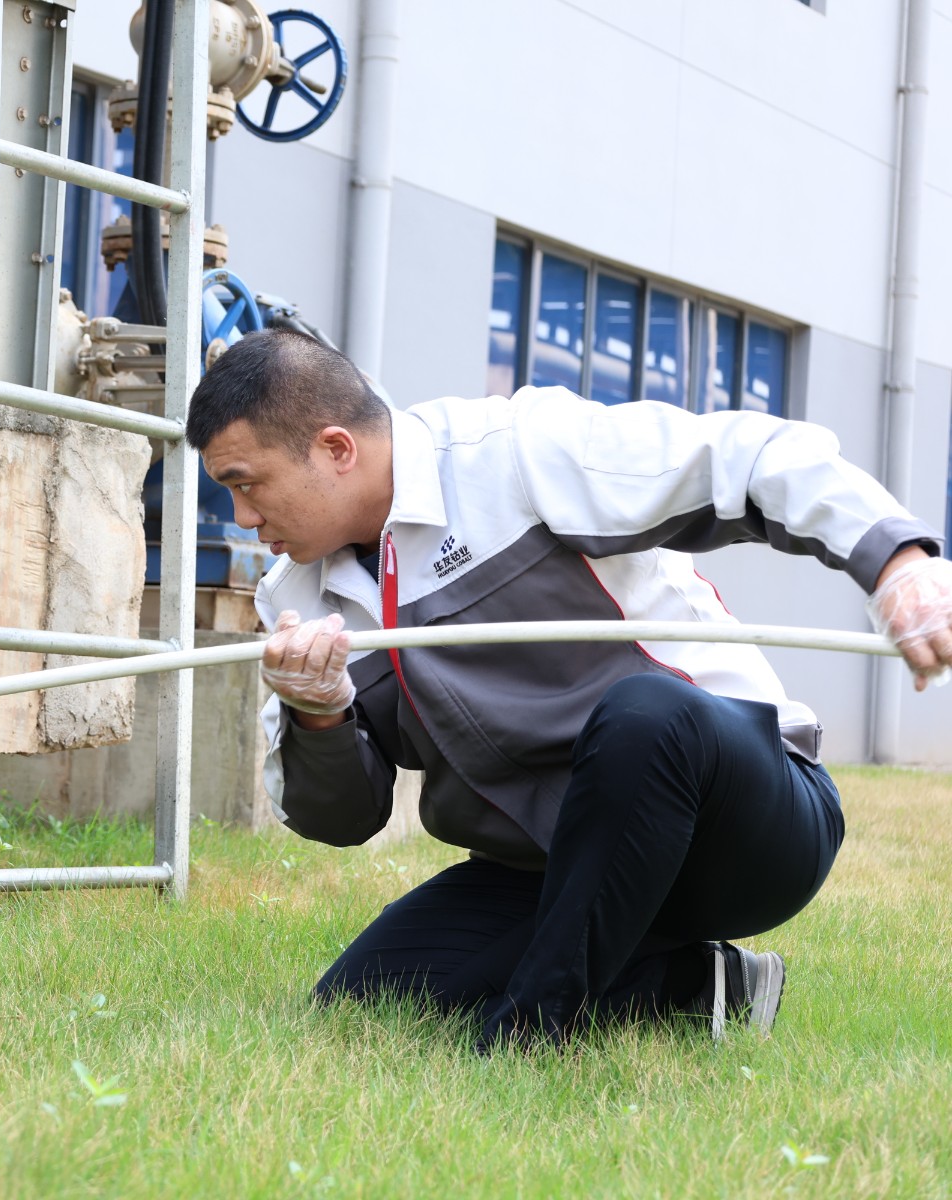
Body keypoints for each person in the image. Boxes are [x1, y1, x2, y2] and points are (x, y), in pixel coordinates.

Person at [187, 329, 952, 1052]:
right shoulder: (296, 598)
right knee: (363, 1000)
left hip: (743, 827)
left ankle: (529, 1032)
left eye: (246, 484)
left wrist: (899, 561)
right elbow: (341, 820)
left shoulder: (514, 453)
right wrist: (319, 714)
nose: (243, 517)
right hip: (554, 865)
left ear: (335, 448)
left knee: (644, 714)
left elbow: (748, 456)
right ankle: (700, 985)